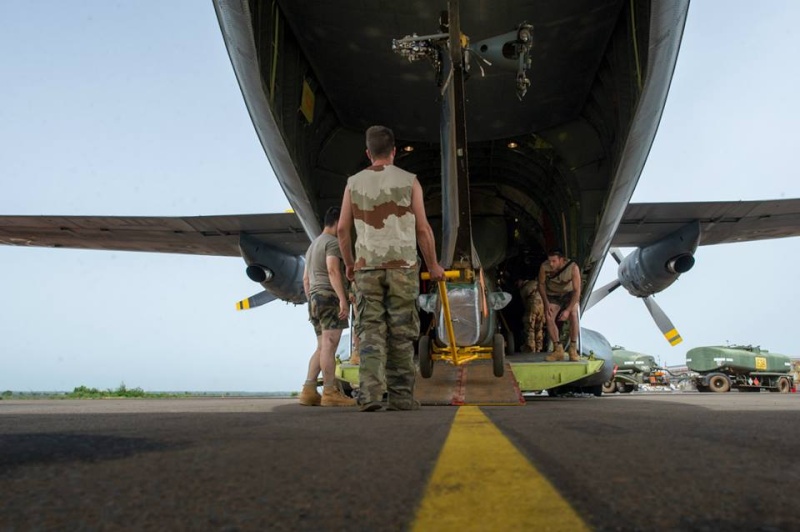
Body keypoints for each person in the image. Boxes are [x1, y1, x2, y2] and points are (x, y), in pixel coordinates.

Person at [338, 125, 445, 412]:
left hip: (366, 268)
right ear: (394, 151)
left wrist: (350, 264)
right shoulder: (409, 181)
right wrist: (433, 265)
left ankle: (371, 395)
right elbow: (423, 229)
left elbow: (342, 230)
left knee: (370, 331)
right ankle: (401, 397)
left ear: (368, 153)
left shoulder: (353, 183)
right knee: (402, 332)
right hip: (403, 268)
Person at [299, 207, 357, 407]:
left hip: (314, 298)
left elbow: (305, 279)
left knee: (322, 346)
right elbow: (333, 270)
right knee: (330, 347)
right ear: (337, 222)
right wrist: (342, 299)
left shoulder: (312, 246)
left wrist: (312, 301)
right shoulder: (332, 243)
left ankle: (308, 390)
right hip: (329, 297)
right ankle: (330, 392)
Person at [538, 248, 582, 362]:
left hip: (569, 294)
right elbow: (541, 284)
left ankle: (573, 349)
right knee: (548, 316)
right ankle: (558, 349)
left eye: (554, 261)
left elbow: (577, 291)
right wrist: (546, 303)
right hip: (553, 294)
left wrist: (567, 310)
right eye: (550, 261)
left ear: (561, 260)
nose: (551, 264)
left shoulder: (573, 268)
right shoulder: (544, 267)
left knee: (573, 314)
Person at [517, 278, 544, 352]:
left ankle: (530, 347)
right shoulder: (535, 283)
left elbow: (524, 303)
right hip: (542, 307)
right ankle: (539, 347)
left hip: (533, 307)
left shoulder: (523, 289)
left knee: (530, 327)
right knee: (539, 328)